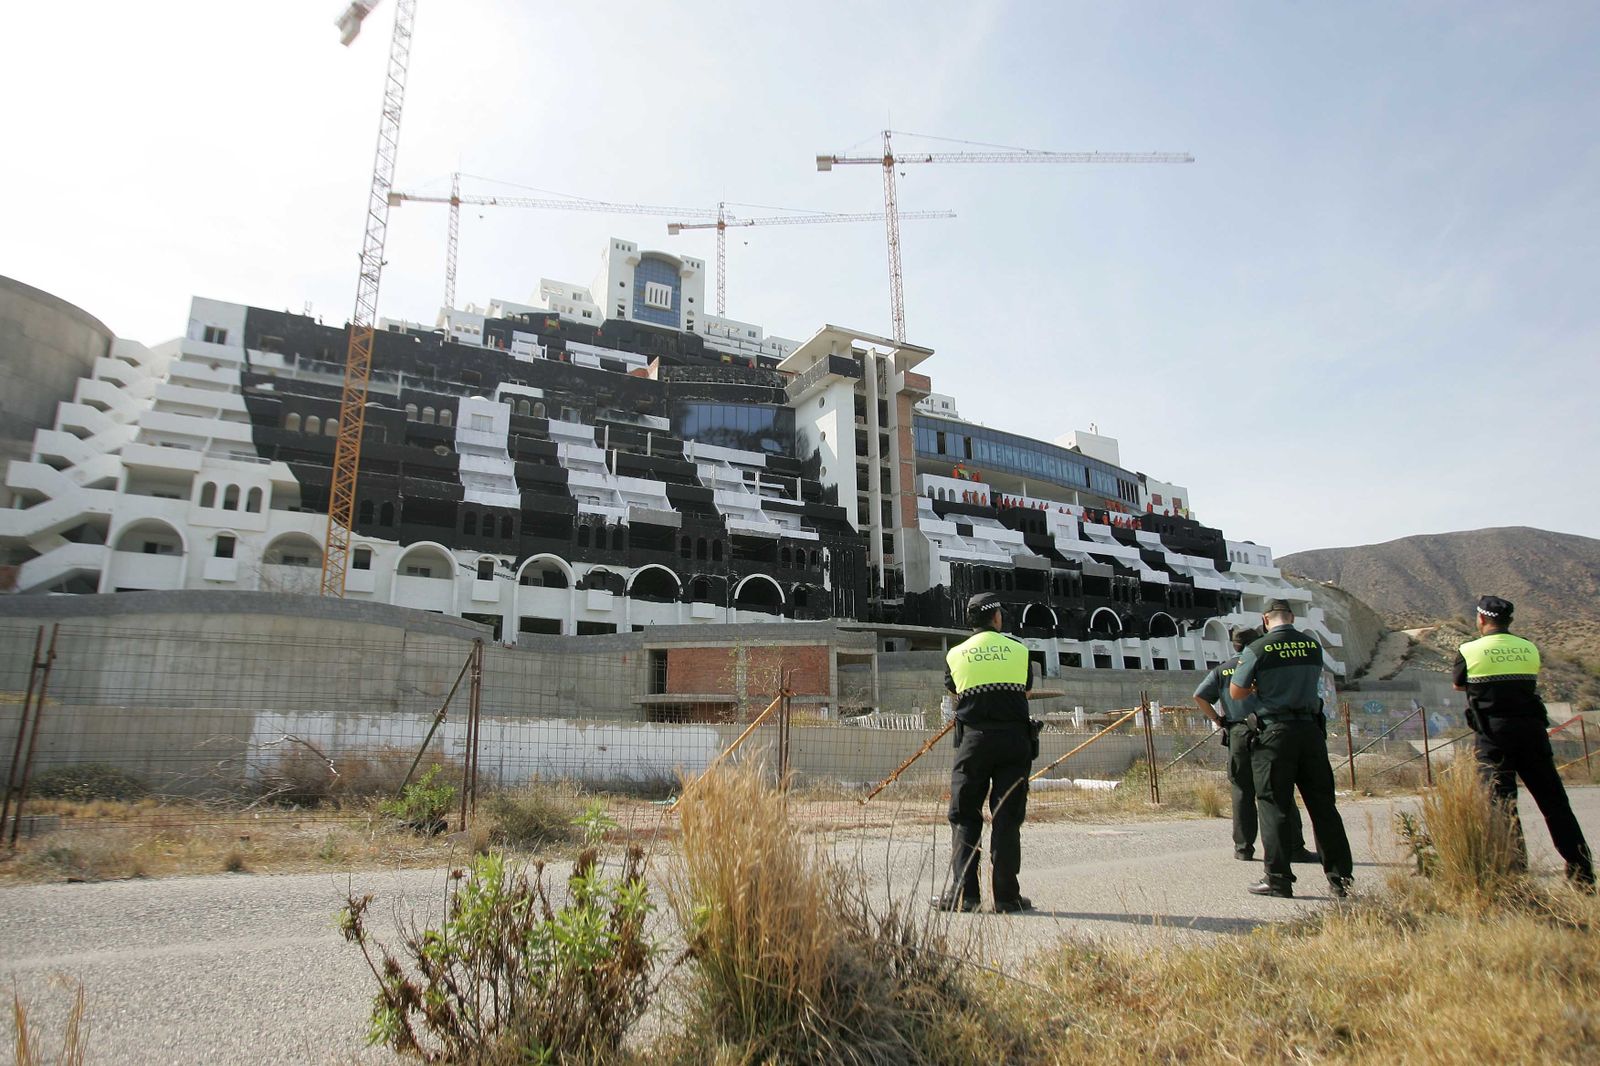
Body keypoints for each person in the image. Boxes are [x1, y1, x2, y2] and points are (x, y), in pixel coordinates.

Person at [1453, 595, 1595, 888]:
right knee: (1555, 803)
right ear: (1510, 621)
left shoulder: (1469, 650)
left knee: (1501, 806)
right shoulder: (1528, 648)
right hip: (1532, 733)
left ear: (1481, 619)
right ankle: (1581, 871)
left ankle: (1515, 875)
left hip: (1493, 736)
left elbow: (1458, 684)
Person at [1229, 599, 1354, 899]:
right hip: (1311, 732)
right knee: (1323, 807)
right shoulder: (1312, 646)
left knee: (1274, 806)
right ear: (1292, 617)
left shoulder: (1257, 648)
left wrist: (1261, 686)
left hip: (1275, 734)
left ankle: (1278, 880)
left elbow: (1237, 691)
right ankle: (1340, 880)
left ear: (1265, 619)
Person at [933, 593, 1037, 913]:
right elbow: (1027, 689)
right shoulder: (1020, 651)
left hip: (973, 742)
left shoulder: (956, 654)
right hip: (1013, 741)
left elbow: (954, 690)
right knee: (1006, 817)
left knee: (965, 816)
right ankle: (1006, 897)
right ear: (997, 619)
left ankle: (966, 896)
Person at [1194, 628, 1317, 864]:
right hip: (1267, 729)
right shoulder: (1262, 661)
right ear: (1257, 641)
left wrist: (1219, 720)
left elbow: (1199, 696)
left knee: (1241, 791)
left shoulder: (1222, 670)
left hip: (1237, 732)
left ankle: (1243, 848)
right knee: (1279, 788)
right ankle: (1293, 847)